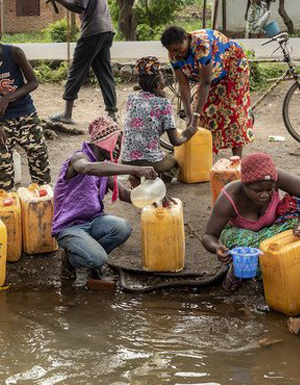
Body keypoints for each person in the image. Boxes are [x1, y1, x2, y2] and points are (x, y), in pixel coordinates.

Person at [53, 116, 159, 281]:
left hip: (93, 220)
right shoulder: (79, 158)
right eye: (115, 142)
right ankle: (71, 260)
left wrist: (154, 196)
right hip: (69, 227)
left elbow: (125, 195)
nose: (118, 148)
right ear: (104, 140)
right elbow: (87, 168)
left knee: (122, 228)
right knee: (99, 259)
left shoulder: (103, 166)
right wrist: (136, 170)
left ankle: (88, 257)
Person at [203, 152, 300, 291]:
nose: (264, 195)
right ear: (244, 184)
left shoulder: (274, 177)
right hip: (243, 239)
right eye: (257, 190)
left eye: (269, 189)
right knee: (247, 246)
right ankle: (242, 270)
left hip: (273, 230)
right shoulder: (229, 197)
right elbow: (209, 236)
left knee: (293, 227)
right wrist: (217, 248)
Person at [0, 20, 50, 191]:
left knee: (39, 160)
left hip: (26, 113)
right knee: (4, 169)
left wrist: (7, 98)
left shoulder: (14, 53)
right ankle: (6, 206)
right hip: (2, 119)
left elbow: (33, 83)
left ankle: (42, 198)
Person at [161, 26, 253, 156]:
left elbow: (205, 83)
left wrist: (194, 118)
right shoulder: (173, 53)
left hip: (233, 66)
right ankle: (204, 154)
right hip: (211, 73)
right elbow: (183, 83)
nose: (176, 54)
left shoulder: (201, 46)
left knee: (233, 111)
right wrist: (189, 114)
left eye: (178, 49)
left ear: (186, 38)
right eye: (172, 51)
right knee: (204, 112)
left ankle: (237, 160)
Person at [121, 56, 197, 187]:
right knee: (174, 165)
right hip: (150, 160)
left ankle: (135, 175)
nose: (164, 81)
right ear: (158, 85)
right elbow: (175, 141)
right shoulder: (163, 104)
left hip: (126, 159)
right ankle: (153, 186)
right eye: (162, 78)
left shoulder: (131, 99)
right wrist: (189, 132)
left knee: (153, 156)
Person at [48, 0, 117, 125]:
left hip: (92, 32)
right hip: (107, 30)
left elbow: (79, 7)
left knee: (76, 71)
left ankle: (67, 115)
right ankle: (112, 113)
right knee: (104, 73)